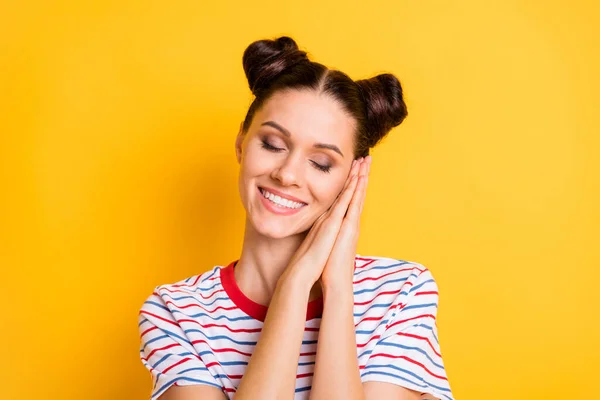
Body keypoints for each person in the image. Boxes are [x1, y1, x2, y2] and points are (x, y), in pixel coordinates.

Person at [138, 36, 454, 400]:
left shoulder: (400, 294)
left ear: (352, 175)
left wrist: (337, 291)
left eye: (320, 163)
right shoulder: (176, 313)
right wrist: (294, 285)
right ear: (242, 141)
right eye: (272, 144)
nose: (287, 174)